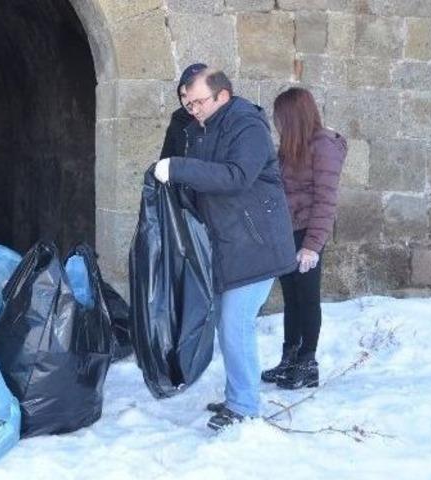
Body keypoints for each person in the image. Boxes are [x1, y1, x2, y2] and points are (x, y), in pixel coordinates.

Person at [153, 69, 296, 431]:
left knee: (235, 325)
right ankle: (238, 395)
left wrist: (180, 168)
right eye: (187, 104)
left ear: (223, 96)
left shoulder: (247, 126)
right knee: (227, 324)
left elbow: (236, 176)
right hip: (229, 244)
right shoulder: (203, 128)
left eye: (198, 102)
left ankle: (245, 406)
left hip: (256, 244)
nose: (192, 110)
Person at [261, 87, 346, 390]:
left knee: (307, 299)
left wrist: (312, 246)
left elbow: (325, 200)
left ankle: (308, 364)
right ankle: (290, 358)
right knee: (292, 299)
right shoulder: (291, 145)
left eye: (281, 116)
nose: (277, 123)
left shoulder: (324, 146)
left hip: (308, 234)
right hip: (287, 233)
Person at [159, 63, 207, 159]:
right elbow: (167, 158)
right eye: (184, 95)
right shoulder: (179, 119)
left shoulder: (225, 119)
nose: (188, 102)